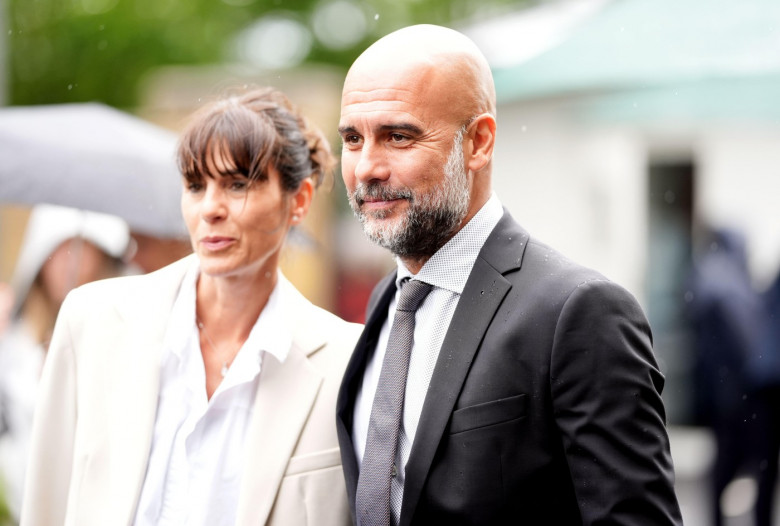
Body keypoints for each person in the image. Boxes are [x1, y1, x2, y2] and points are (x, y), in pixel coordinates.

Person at [335, 24, 682, 525]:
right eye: (352, 138)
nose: (367, 167)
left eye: (398, 136)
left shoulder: (580, 313)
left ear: (478, 143)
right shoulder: (387, 304)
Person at [21, 87, 362, 526]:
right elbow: (46, 504)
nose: (210, 209)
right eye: (196, 185)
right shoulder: (92, 320)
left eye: (238, 184)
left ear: (298, 200)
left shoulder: (345, 360)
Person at [0, 204, 130, 522]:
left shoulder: (122, 332)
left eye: (81, 250)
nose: (67, 263)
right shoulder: (16, 337)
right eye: (57, 251)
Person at [685, 227, 764, 526]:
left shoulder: (706, 273)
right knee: (734, 456)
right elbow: (745, 340)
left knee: (725, 456)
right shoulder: (727, 281)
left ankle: (718, 515)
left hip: (719, 386)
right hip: (734, 388)